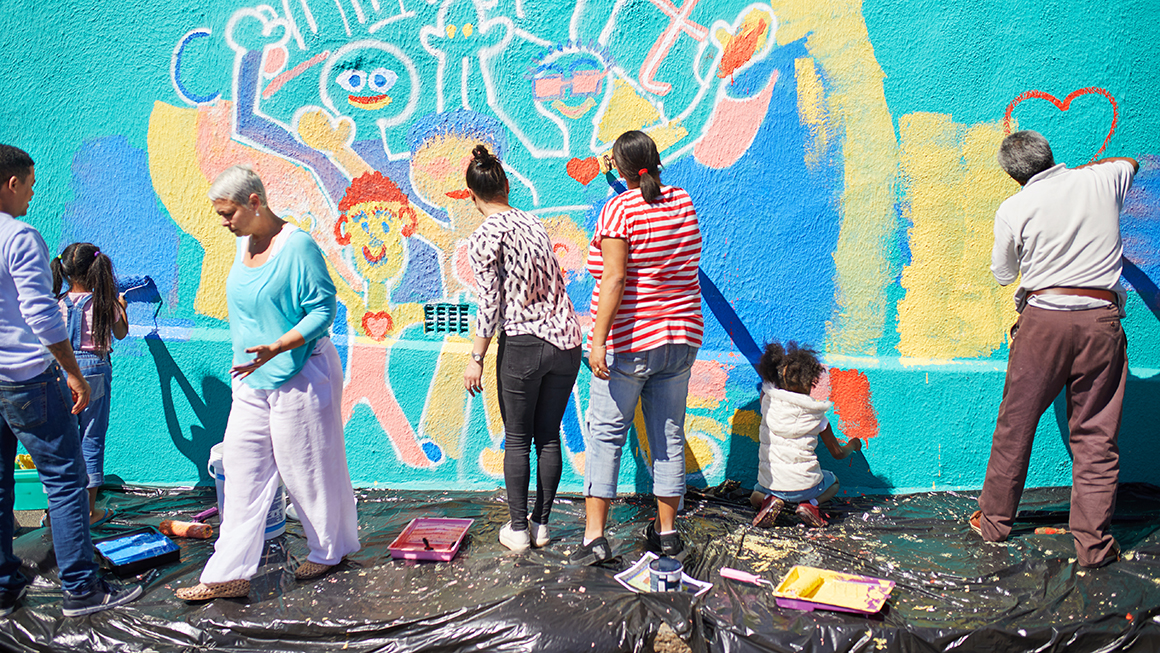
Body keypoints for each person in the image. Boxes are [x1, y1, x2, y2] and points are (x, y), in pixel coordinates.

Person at [175, 165, 360, 601]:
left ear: (255, 201)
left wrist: (279, 345)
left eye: (228, 212)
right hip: (252, 381)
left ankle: (329, 550)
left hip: (302, 375)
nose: (223, 222)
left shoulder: (298, 247)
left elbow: (323, 310)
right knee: (242, 471)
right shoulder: (243, 244)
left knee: (307, 471)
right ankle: (227, 572)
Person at [971, 130, 1138, 569]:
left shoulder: (1014, 207)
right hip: (1102, 322)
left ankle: (993, 523)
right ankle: (1094, 547)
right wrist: (1088, 179)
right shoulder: (1102, 179)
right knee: (1096, 437)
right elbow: (1129, 163)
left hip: (1042, 323)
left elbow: (1004, 274)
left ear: (1014, 176)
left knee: (1015, 424)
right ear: (1050, 156)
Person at [0, 144, 142, 616]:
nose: (32, 194)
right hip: (29, 376)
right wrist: (72, 371)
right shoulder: (18, 237)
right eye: (31, 184)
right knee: (69, 476)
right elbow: (41, 316)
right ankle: (82, 588)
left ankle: (5, 581)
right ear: (12, 183)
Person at [573, 130, 703, 564]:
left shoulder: (618, 210)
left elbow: (614, 279)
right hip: (680, 337)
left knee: (607, 434)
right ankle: (667, 535)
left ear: (621, 167)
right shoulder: (681, 201)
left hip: (630, 342)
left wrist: (596, 341)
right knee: (667, 435)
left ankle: (595, 537)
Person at [461, 145, 583, 552]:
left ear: (471, 195)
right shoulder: (534, 224)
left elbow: (490, 303)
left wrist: (476, 357)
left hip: (524, 344)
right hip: (566, 342)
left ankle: (517, 530)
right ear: (506, 186)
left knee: (517, 438)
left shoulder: (483, 237)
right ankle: (541, 525)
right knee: (548, 436)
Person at [51, 243, 128, 527]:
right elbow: (120, 333)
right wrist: (121, 307)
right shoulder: (106, 303)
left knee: (60, 442)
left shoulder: (56, 302)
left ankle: (55, 511)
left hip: (62, 371)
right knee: (91, 438)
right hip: (95, 369)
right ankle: (88, 510)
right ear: (96, 269)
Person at [749, 342, 861, 528]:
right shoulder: (818, 416)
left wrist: (771, 377)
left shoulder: (767, 403)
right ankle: (811, 505)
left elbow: (766, 387)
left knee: (754, 496)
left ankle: (769, 500)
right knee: (834, 482)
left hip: (772, 484)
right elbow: (838, 453)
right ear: (811, 382)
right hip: (806, 488)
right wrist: (853, 445)